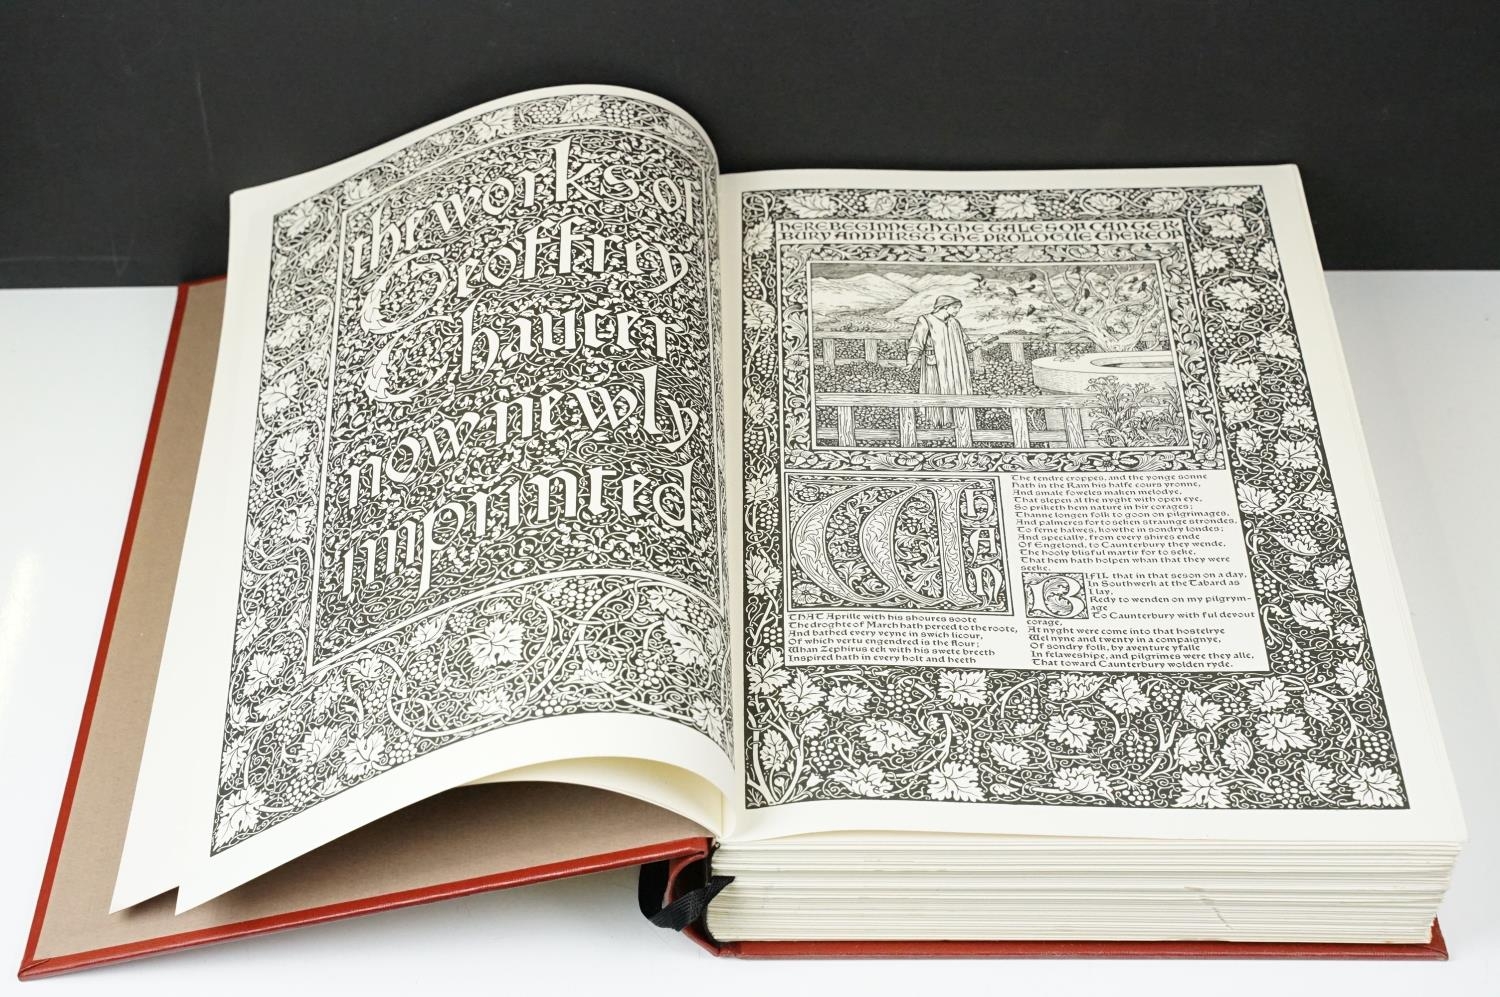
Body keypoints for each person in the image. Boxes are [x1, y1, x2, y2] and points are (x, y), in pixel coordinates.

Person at [905, 295, 972, 427]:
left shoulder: (954, 323)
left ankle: (959, 424)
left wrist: (978, 344)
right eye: (955, 307)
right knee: (935, 394)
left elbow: (966, 345)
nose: (958, 310)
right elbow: (916, 343)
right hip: (935, 366)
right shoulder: (925, 320)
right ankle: (934, 425)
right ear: (944, 306)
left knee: (956, 392)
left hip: (955, 368)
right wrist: (911, 362)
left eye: (959, 308)